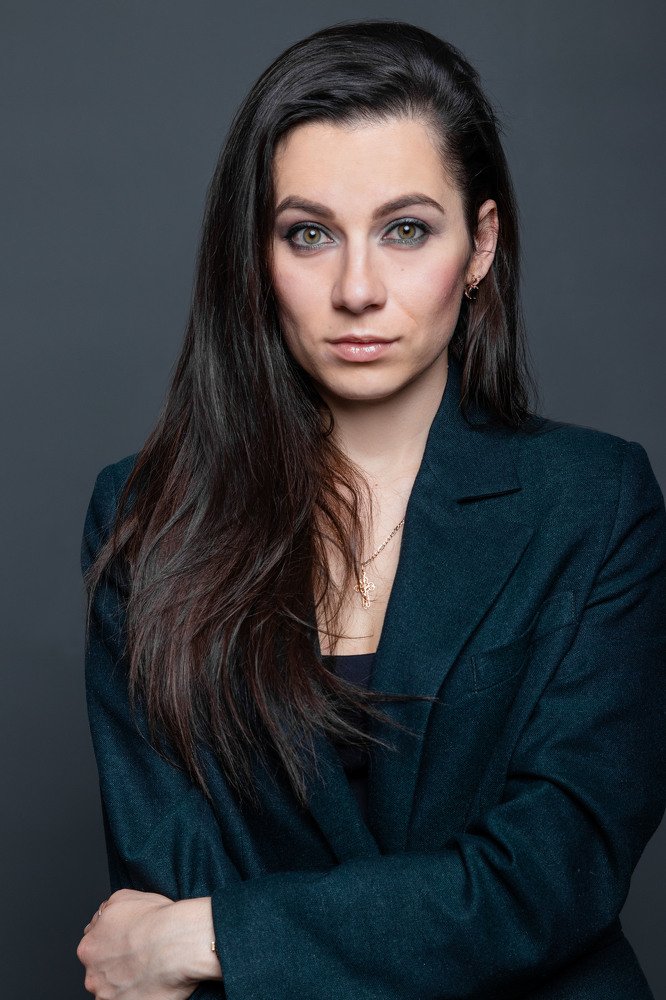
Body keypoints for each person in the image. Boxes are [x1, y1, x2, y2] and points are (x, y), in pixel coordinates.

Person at [76, 19, 666, 1000]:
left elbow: (553, 874)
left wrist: (223, 938)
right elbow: (166, 870)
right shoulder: (148, 514)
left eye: (406, 230)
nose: (357, 289)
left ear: (479, 244)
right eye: (309, 234)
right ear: (256, 255)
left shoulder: (595, 502)